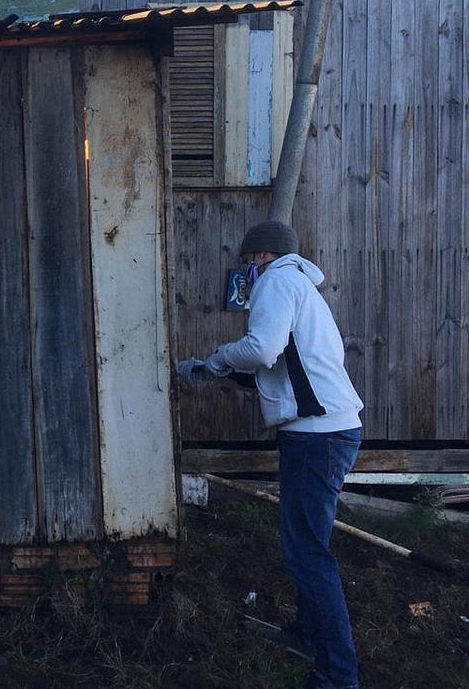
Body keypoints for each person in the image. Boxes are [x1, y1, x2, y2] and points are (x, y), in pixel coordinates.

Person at [178, 220, 364, 689]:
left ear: (258, 257)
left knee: (308, 553)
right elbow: (284, 365)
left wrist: (218, 359)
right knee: (309, 544)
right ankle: (307, 634)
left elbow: (263, 350)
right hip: (326, 432)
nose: (245, 273)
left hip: (317, 437)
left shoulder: (277, 279)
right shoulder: (299, 285)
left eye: (246, 263)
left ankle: (338, 677)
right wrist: (209, 370)